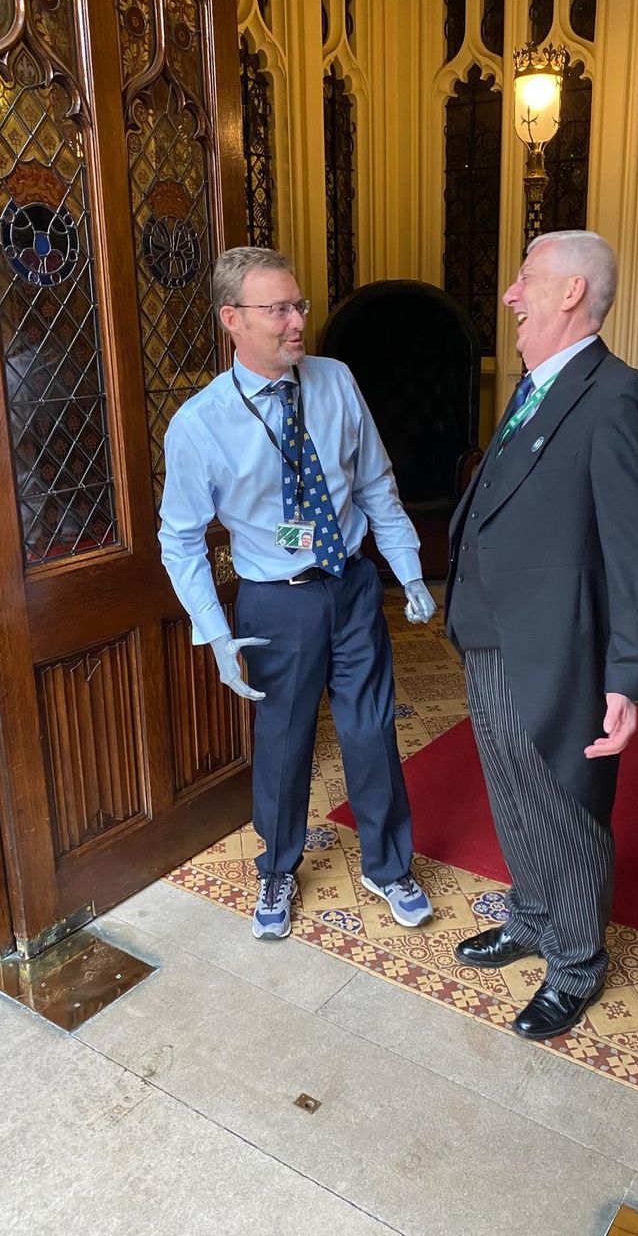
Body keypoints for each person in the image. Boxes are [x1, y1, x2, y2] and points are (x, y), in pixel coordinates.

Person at [159, 246, 437, 941]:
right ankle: (279, 865)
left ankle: (387, 861)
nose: (296, 321)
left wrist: (406, 568)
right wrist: (215, 632)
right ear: (233, 319)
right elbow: (180, 539)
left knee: (371, 725)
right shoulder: (200, 423)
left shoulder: (336, 380)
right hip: (275, 601)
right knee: (283, 739)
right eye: (278, 308)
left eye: (299, 304)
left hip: (350, 585)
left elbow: (375, 483)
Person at [446, 230, 638, 1040]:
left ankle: (576, 961)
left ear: (572, 291)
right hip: (492, 634)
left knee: (567, 806)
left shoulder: (620, 397)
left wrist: (627, 675)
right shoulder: (536, 385)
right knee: (512, 790)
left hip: (560, 648)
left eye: (526, 278)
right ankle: (533, 916)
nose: (511, 294)